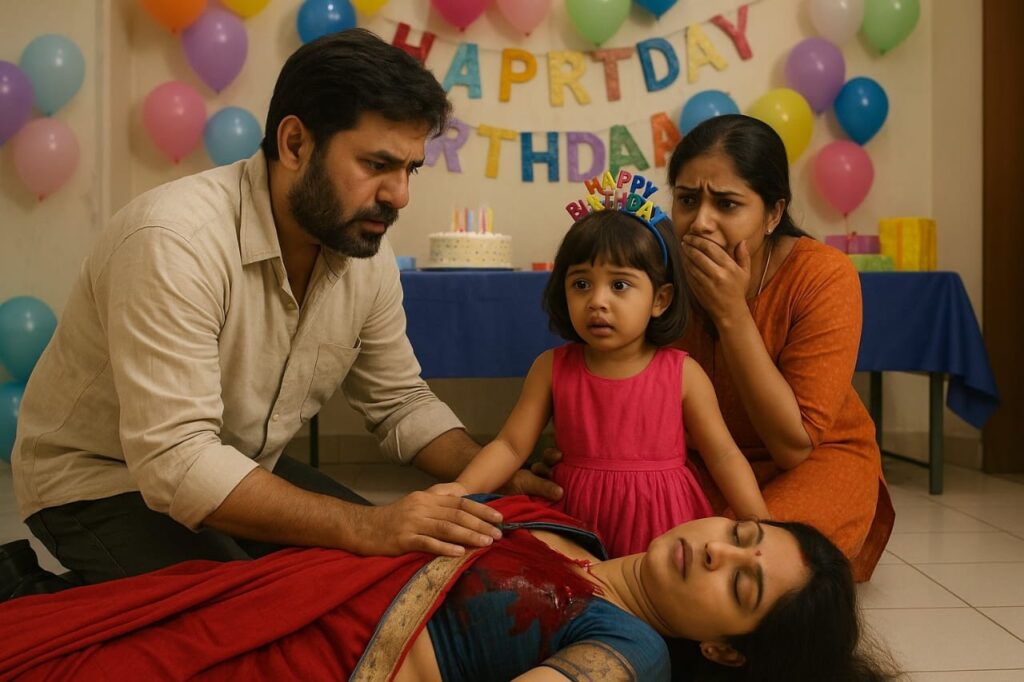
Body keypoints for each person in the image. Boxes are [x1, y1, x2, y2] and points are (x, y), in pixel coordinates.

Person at [4, 28, 558, 595]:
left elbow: (399, 402)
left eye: (409, 169)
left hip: (234, 462)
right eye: (377, 164)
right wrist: (367, 524)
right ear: (295, 144)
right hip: (97, 479)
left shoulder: (364, 252)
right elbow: (179, 462)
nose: (400, 195)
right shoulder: (174, 239)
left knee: (381, 581)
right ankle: (25, 596)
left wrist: (497, 469)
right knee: (260, 615)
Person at [0, 495, 895, 682]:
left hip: (302, 662)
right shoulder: (569, 529)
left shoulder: (632, 652)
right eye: (740, 536)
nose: (716, 553)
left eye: (743, 585)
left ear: (725, 649)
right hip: (259, 602)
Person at [431, 183, 768, 558]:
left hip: (662, 520)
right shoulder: (551, 368)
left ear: (660, 299)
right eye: (581, 284)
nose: (597, 301)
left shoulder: (683, 374)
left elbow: (724, 456)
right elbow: (510, 445)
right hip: (576, 518)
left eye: (619, 284)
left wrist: (761, 523)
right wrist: (462, 489)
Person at [664, 114, 894, 582]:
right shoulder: (661, 269)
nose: (700, 223)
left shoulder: (823, 276)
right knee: (635, 540)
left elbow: (793, 445)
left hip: (814, 462)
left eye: (727, 204)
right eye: (687, 200)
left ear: (772, 214)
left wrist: (732, 313)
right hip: (702, 460)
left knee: (743, 562)